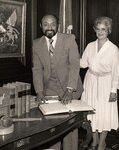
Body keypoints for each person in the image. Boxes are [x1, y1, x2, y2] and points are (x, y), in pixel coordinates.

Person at [32, 14, 83, 150]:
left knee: (69, 127)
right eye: (46, 24)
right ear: (41, 26)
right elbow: (37, 69)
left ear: (58, 25)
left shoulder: (69, 39)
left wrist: (70, 89)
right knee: (51, 128)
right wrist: (40, 92)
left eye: (53, 24)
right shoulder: (36, 44)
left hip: (70, 88)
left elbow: (74, 65)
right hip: (49, 91)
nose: (50, 27)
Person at [80, 16, 119, 150]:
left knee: (104, 113)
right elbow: (83, 63)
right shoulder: (90, 46)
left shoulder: (113, 49)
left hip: (106, 83)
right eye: (98, 29)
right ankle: (94, 140)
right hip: (90, 81)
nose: (100, 32)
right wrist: (70, 55)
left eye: (104, 29)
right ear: (94, 30)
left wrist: (114, 90)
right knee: (91, 112)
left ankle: (102, 142)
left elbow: (116, 71)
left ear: (109, 30)